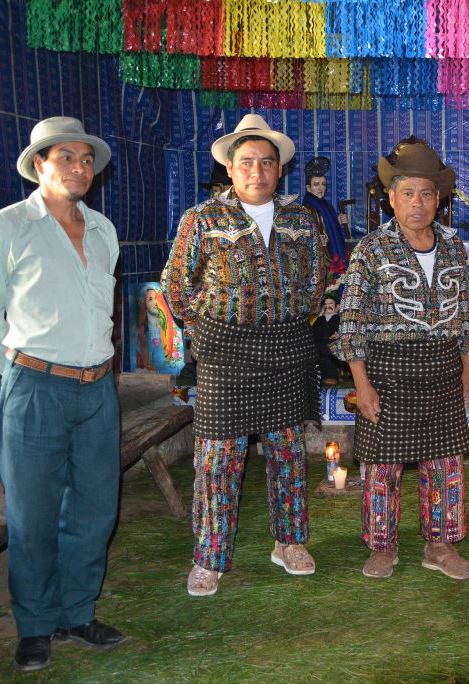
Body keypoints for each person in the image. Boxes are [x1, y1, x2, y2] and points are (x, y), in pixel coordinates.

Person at [0, 117, 125, 671]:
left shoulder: (104, 231)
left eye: (87, 160)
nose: (80, 168)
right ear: (39, 164)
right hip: (34, 387)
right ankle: (35, 624)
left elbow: (101, 313)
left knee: (95, 509)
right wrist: (26, 371)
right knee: (32, 515)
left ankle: (77, 613)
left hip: (98, 389)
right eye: (66, 158)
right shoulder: (4, 228)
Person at [161, 114, 330, 596]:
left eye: (267, 162)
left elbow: (317, 282)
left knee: (288, 454)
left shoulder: (303, 220)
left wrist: (292, 312)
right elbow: (176, 286)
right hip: (225, 356)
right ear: (231, 169)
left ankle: (289, 542)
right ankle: (210, 557)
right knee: (218, 460)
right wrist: (208, 325)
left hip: (287, 350)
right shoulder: (203, 219)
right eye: (247, 162)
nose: (258, 171)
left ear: (280, 169)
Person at [332, 139, 469, 581]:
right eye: (408, 193)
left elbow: (466, 314)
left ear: (439, 199)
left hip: (444, 372)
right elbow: (351, 321)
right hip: (387, 373)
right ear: (391, 198)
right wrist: (361, 385)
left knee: (445, 465)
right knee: (382, 468)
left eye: (427, 194)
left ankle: (440, 545)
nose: (418, 203)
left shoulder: (454, 247)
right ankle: (383, 547)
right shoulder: (371, 249)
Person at [303, 156, 349, 270]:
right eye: (316, 184)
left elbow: (327, 226)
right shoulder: (306, 209)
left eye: (323, 184)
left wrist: (338, 221)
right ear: (308, 188)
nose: (320, 188)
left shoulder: (326, 206)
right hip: (319, 261)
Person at [134, 284, 184, 374]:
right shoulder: (141, 331)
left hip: (172, 373)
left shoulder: (173, 327)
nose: (155, 302)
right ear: (144, 303)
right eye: (151, 299)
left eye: (158, 298)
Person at [312, 292, 342, 386]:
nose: (328, 306)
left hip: (332, 344)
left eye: (330, 303)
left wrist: (339, 334)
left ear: (336, 306)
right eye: (325, 304)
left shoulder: (338, 318)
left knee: (330, 359)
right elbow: (313, 330)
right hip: (319, 344)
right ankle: (322, 377)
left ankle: (332, 377)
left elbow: (342, 329)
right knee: (319, 360)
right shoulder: (320, 319)